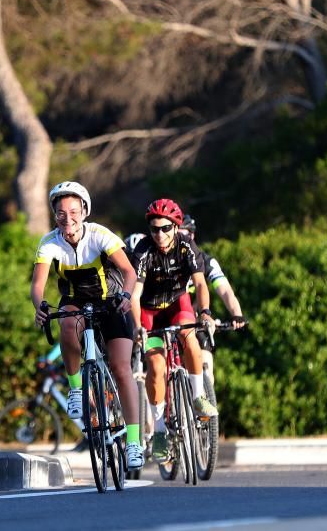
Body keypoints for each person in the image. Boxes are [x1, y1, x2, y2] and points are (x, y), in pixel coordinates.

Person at [30, 181, 144, 470]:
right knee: (67, 325)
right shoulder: (49, 242)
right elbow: (38, 285)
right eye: (60, 214)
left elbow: (129, 271)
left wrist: (127, 296)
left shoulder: (99, 235)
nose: (67, 219)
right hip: (74, 302)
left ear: (84, 211)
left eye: (73, 212)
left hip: (111, 301)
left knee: (121, 369)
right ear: (54, 216)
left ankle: (133, 442)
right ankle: (76, 389)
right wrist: (40, 306)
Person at [128, 198, 218, 462]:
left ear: (176, 227)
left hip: (178, 303)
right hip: (149, 312)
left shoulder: (187, 245)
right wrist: (137, 328)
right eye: (155, 229)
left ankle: (198, 395)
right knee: (155, 367)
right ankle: (158, 431)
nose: (160, 235)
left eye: (166, 228)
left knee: (190, 338)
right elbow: (134, 295)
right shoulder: (143, 251)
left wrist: (205, 313)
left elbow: (200, 284)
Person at [178, 214, 246, 384]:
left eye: (183, 235)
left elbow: (225, 290)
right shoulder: (166, 261)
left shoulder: (206, 261)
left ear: (192, 236)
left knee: (206, 360)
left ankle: (208, 395)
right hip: (173, 316)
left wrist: (237, 314)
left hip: (196, 318)